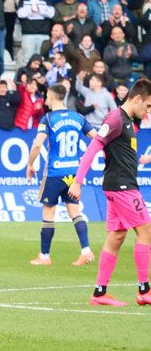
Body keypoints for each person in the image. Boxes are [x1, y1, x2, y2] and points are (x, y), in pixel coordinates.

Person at [69, 78, 151, 307]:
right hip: (122, 187)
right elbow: (93, 147)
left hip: (118, 186)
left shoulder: (126, 121)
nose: (147, 112)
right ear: (137, 99)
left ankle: (99, 293)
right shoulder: (115, 118)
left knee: (116, 237)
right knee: (146, 232)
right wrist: (77, 181)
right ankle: (144, 290)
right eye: (148, 106)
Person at [25, 83, 95, 267]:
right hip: (73, 172)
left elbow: (37, 145)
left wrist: (30, 164)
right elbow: (96, 138)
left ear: (51, 96)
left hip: (55, 173)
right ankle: (86, 251)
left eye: (47, 96)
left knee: (49, 212)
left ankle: (45, 256)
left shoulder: (48, 119)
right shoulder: (78, 117)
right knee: (75, 211)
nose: (46, 99)